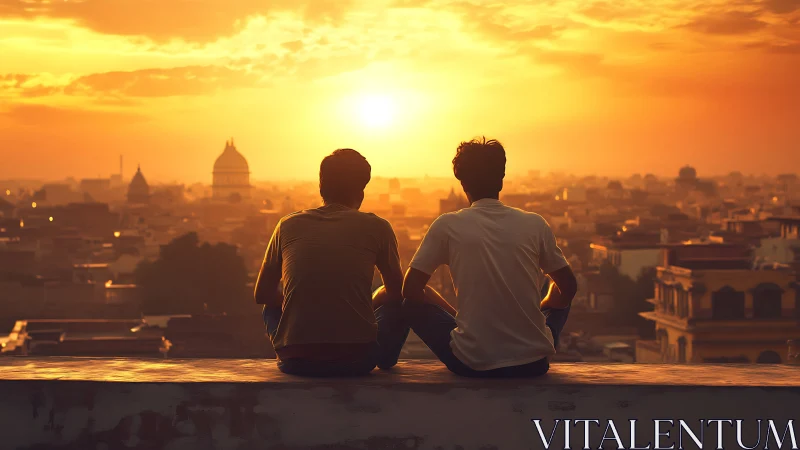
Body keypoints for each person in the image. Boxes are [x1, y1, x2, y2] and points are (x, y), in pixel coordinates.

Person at [396, 137, 578, 378]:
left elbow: (410, 290)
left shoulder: (447, 225)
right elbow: (569, 287)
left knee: (409, 306)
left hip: (472, 362)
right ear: (501, 178)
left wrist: (455, 318)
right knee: (558, 289)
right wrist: (543, 307)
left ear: (463, 183)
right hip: (534, 363)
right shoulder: (535, 224)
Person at [254, 148, 407, 377]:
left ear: (321, 188)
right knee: (400, 303)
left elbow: (263, 294)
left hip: (296, 361)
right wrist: (369, 303)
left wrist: (301, 305)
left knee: (270, 306)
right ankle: (385, 357)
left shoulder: (287, 225)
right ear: (361, 191)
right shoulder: (378, 227)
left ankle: (292, 345)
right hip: (358, 360)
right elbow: (397, 293)